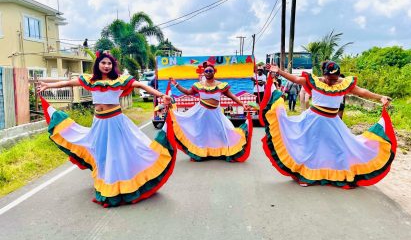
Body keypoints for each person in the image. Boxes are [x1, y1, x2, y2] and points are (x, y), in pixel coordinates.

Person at [37, 51, 176, 207]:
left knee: (118, 154)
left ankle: (121, 187)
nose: (106, 66)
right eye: (103, 63)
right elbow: (68, 83)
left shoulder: (120, 80)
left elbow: (140, 84)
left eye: (109, 63)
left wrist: (161, 95)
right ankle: (108, 183)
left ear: (113, 65)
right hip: (99, 122)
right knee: (101, 153)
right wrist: (49, 85)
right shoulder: (91, 80)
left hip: (115, 121)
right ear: (98, 64)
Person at [261, 61, 396, 188]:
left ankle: (339, 174)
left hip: (333, 122)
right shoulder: (314, 82)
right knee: (311, 149)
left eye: (335, 79)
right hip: (313, 121)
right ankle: (306, 176)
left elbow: (363, 92)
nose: (332, 82)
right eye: (329, 79)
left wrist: (380, 97)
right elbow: (295, 79)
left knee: (340, 149)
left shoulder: (343, 83)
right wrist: (279, 71)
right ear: (324, 74)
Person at [168, 61, 252, 162]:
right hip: (201, 113)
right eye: (206, 71)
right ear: (203, 73)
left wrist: (243, 104)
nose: (208, 72)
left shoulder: (221, 85)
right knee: (201, 134)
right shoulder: (199, 85)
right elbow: (187, 92)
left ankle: (228, 152)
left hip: (215, 113)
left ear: (214, 72)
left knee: (224, 131)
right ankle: (198, 154)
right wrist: (176, 84)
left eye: (210, 70)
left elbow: (232, 96)